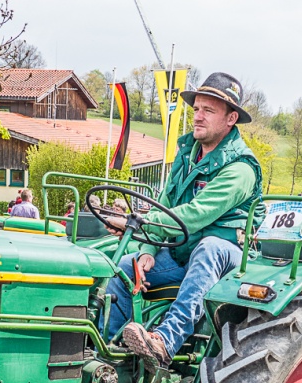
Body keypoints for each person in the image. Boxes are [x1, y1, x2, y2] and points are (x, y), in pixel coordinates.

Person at [104, 72, 263, 366]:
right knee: (127, 267)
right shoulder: (188, 153)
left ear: (231, 119)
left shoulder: (241, 168)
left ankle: (166, 341)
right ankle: (109, 354)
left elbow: (196, 214)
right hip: (183, 252)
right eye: (197, 109)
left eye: (209, 111)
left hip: (229, 261)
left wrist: (136, 222)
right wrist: (149, 251)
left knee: (210, 247)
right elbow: (165, 202)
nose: (198, 117)